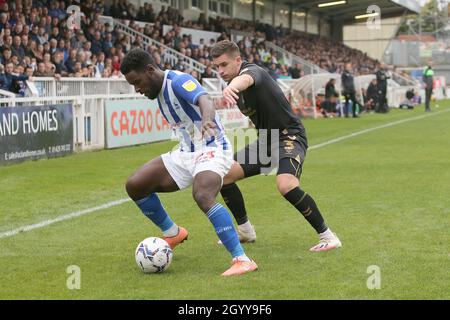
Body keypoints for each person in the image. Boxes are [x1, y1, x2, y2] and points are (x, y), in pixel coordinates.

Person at [120, 49, 257, 276]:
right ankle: (173, 233)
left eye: (137, 82)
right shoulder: (158, 90)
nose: (137, 89)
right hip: (185, 154)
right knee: (135, 185)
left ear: (150, 70)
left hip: (213, 149)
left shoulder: (178, 81)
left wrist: (206, 120)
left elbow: (205, 100)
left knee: (203, 194)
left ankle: (241, 259)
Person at [211, 40, 341, 252]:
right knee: (223, 174)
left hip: (289, 136)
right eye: (217, 66)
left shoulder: (252, 72)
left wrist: (232, 87)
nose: (220, 71)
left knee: (286, 185)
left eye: (224, 65)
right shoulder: (234, 86)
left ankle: (328, 236)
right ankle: (245, 230)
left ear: (237, 60)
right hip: (266, 141)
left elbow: (247, 79)